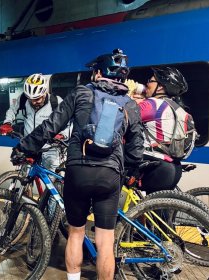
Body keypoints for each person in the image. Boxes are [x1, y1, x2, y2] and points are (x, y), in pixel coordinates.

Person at [11, 50, 144, 280]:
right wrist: (127, 172)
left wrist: (24, 147)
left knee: (75, 233)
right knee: (105, 242)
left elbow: (51, 126)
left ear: (99, 73)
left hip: (79, 171)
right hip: (110, 175)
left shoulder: (81, 93)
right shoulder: (130, 105)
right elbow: (136, 148)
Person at [0, 73, 69, 172]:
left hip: (50, 147)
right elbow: (12, 110)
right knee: (25, 176)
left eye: (37, 99)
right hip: (30, 144)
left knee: (51, 177)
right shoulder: (23, 98)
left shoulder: (56, 102)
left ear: (44, 93)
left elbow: (68, 122)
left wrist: (62, 135)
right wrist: (7, 123)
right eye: (30, 99)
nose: (33, 102)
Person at [136, 67, 189, 194]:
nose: (146, 84)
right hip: (174, 167)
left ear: (160, 87)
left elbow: (122, 117)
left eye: (150, 81)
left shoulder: (151, 104)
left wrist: (130, 98)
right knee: (157, 213)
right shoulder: (177, 108)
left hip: (155, 167)